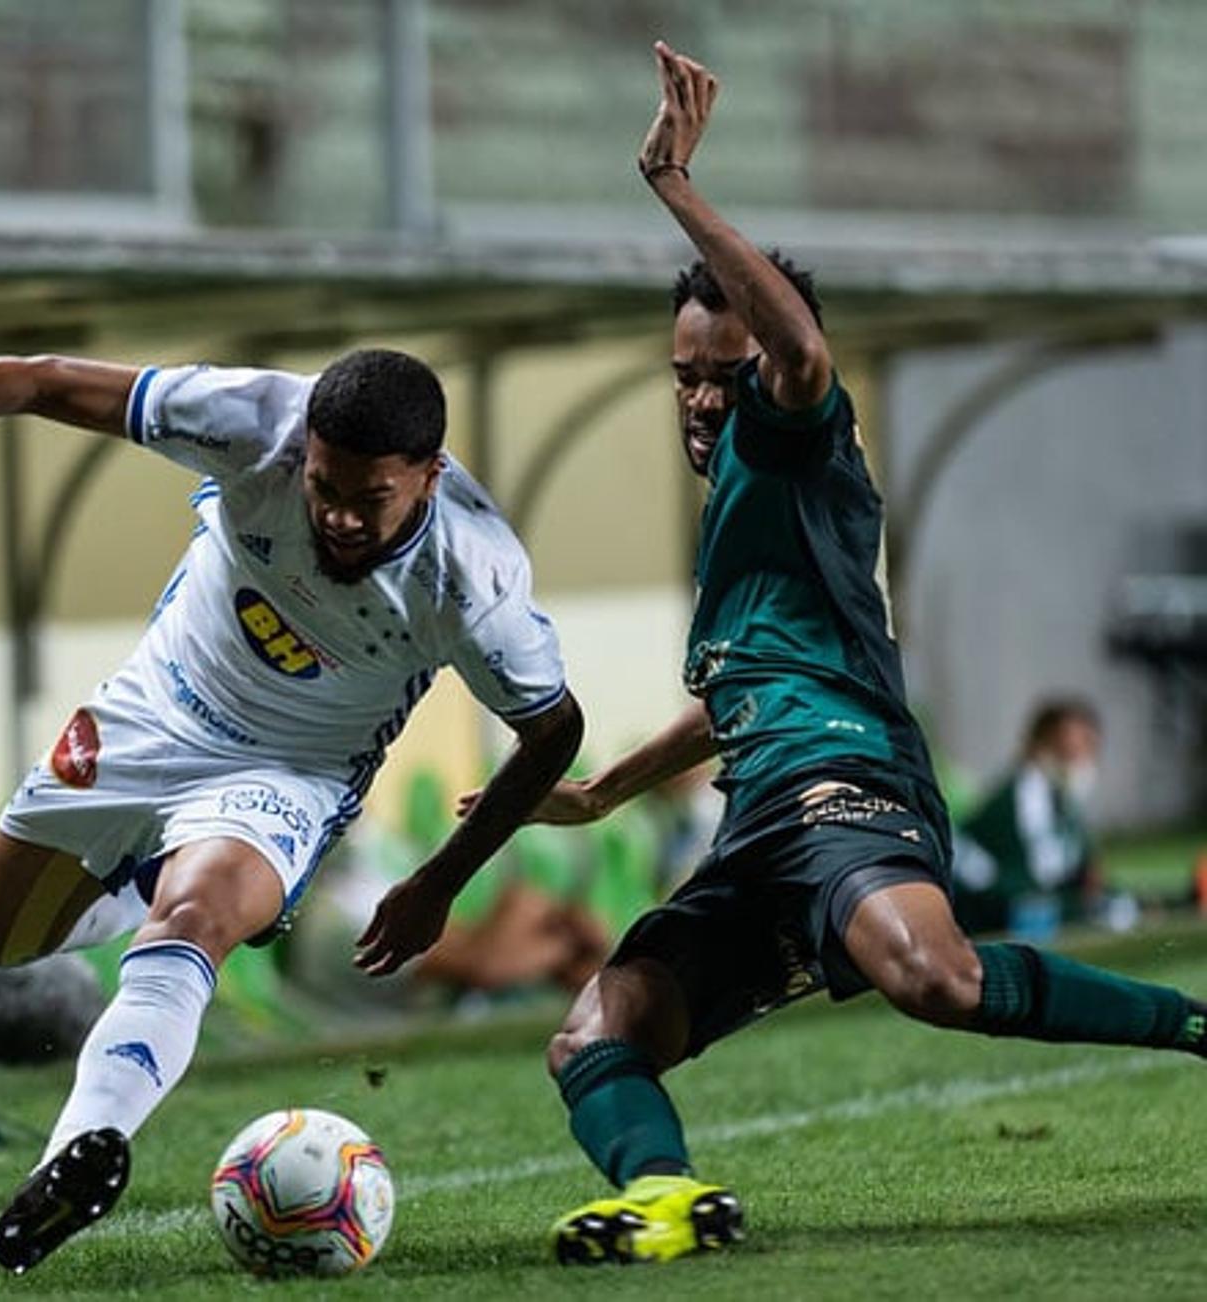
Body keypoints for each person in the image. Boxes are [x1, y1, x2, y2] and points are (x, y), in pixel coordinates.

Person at [424, 41, 1207, 1266]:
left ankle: (1196, 1023)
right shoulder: (747, 527)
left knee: (932, 982)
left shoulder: (792, 445)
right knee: (593, 1034)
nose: (698, 397)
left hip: (848, 784)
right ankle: (664, 1199)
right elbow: (730, 697)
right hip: (762, 827)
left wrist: (675, 184)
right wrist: (605, 791)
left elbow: (799, 360)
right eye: (682, 377)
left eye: (719, 375)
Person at [0, 348, 585, 1272]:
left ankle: (76, 1155)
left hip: (290, 769)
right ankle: (149, 878)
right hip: (152, 712)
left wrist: (440, 880)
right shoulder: (253, 421)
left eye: (373, 499)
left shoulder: (474, 581)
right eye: (325, 486)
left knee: (195, 919)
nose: (339, 515)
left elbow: (552, 732)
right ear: (305, 448)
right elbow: (40, 379)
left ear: (430, 476)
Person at [953, 698, 1106, 936]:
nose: (1080, 762)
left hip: (1012, 899)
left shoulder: (1060, 798)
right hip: (974, 906)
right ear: (1039, 746)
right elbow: (1037, 883)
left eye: (1087, 749)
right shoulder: (1025, 795)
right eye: (1068, 751)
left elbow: (1083, 874)